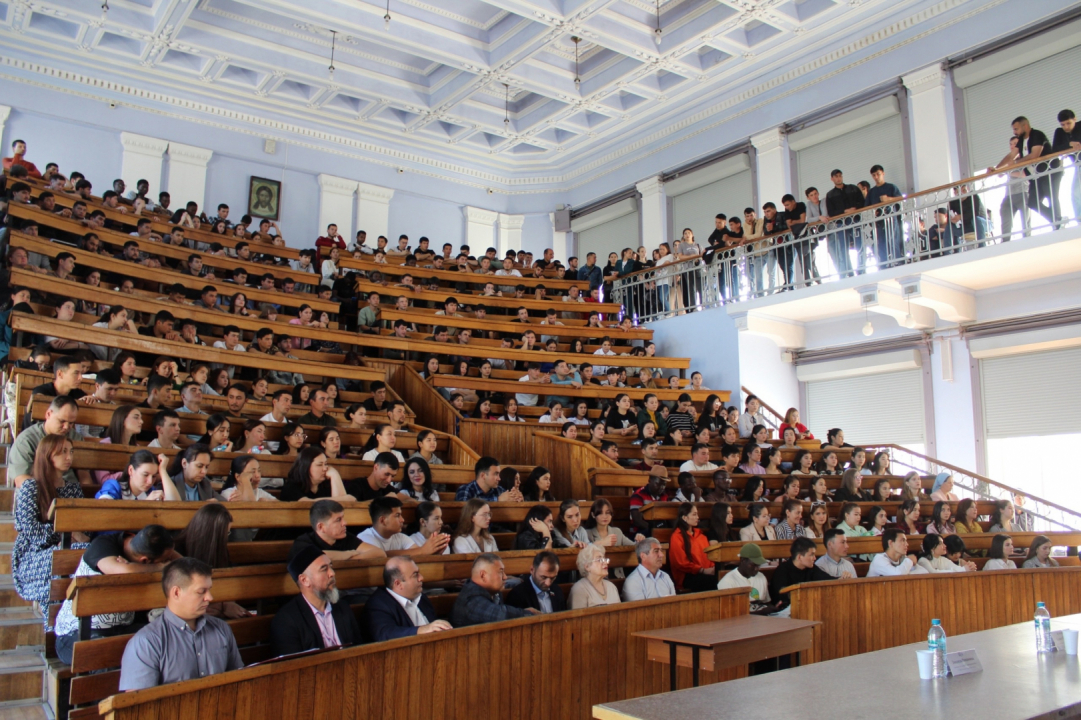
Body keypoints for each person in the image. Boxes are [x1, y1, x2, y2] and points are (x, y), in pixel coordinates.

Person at [54, 525, 179, 663]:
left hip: (122, 628)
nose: (168, 561)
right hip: (75, 634)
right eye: (165, 560)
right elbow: (123, 571)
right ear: (145, 561)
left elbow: (181, 565)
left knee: (172, 641)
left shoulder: (147, 546)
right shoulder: (103, 545)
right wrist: (160, 568)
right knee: (110, 656)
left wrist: (142, 568)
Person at [118, 558, 243, 690]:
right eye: (201, 591)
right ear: (176, 593)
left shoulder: (222, 628)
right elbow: (139, 706)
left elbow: (238, 680)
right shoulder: (146, 642)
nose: (210, 598)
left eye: (209, 590)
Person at [12, 435, 85, 609]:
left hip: (68, 547)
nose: (69, 457)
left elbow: (83, 527)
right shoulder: (31, 487)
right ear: (47, 455)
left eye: (71, 452)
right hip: (33, 554)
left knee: (88, 551)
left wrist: (77, 535)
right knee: (77, 553)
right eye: (62, 452)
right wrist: (65, 534)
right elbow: (33, 532)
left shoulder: (73, 488)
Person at [269, 546, 362, 656]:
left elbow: (359, 649)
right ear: (305, 580)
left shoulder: (342, 607)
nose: (332, 573)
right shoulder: (286, 621)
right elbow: (292, 668)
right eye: (324, 569)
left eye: (331, 567)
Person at [361, 556, 453, 641]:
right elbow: (386, 634)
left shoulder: (421, 597)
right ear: (398, 584)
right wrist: (422, 630)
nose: (421, 578)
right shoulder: (378, 605)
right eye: (415, 575)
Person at [9, 395, 82, 488]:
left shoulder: (75, 437)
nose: (66, 427)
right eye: (62, 421)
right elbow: (21, 479)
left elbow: (84, 475)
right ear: (48, 414)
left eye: (71, 423)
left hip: (71, 493)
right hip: (38, 494)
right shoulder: (26, 440)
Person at [450, 554, 537, 626]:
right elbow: (501, 615)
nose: (505, 577)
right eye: (500, 572)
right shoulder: (471, 600)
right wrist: (529, 614)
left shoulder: (495, 592)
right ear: (483, 575)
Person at [289, 500, 385, 563]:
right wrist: (347, 554)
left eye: (343, 518)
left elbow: (379, 553)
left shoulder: (346, 537)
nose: (345, 523)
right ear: (321, 527)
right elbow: (315, 557)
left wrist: (349, 560)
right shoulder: (303, 542)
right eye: (338, 520)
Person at [359, 496, 449, 556]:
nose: (402, 520)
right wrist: (423, 550)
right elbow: (381, 556)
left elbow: (418, 553)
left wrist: (435, 552)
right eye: (397, 515)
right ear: (382, 520)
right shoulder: (365, 538)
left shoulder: (400, 537)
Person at [769, 537, 835, 610]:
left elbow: (828, 580)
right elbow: (781, 596)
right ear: (799, 557)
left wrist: (841, 578)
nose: (815, 558)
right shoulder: (782, 571)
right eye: (811, 555)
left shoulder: (811, 568)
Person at [717, 544, 779, 614]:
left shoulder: (761, 577)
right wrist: (761, 612)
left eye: (758, 565)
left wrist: (774, 608)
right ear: (743, 560)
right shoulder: (728, 582)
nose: (756, 568)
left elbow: (766, 602)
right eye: (753, 565)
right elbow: (730, 613)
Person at [668, 502, 715, 592]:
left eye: (697, 514)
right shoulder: (677, 536)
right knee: (713, 582)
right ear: (684, 517)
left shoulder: (701, 536)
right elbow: (680, 563)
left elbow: (710, 555)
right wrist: (702, 570)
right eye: (694, 514)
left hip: (705, 573)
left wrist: (711, 568)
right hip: (687, 576)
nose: (697, 517)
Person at [568, 543, 622, 609]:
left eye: (605, 559)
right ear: (587, 566)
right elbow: (578, 618)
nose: (605, 563)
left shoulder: (611, 587)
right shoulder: (579, 589)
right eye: (599, 560)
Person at [455, 456, 520, 502]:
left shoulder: (499, 490)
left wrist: (517, 498)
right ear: (483, 475)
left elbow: (510, 497)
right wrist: (498, 500)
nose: (499, 478)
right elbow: (466, 510)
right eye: (495, 474)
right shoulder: (465, 489)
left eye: (499, 474)